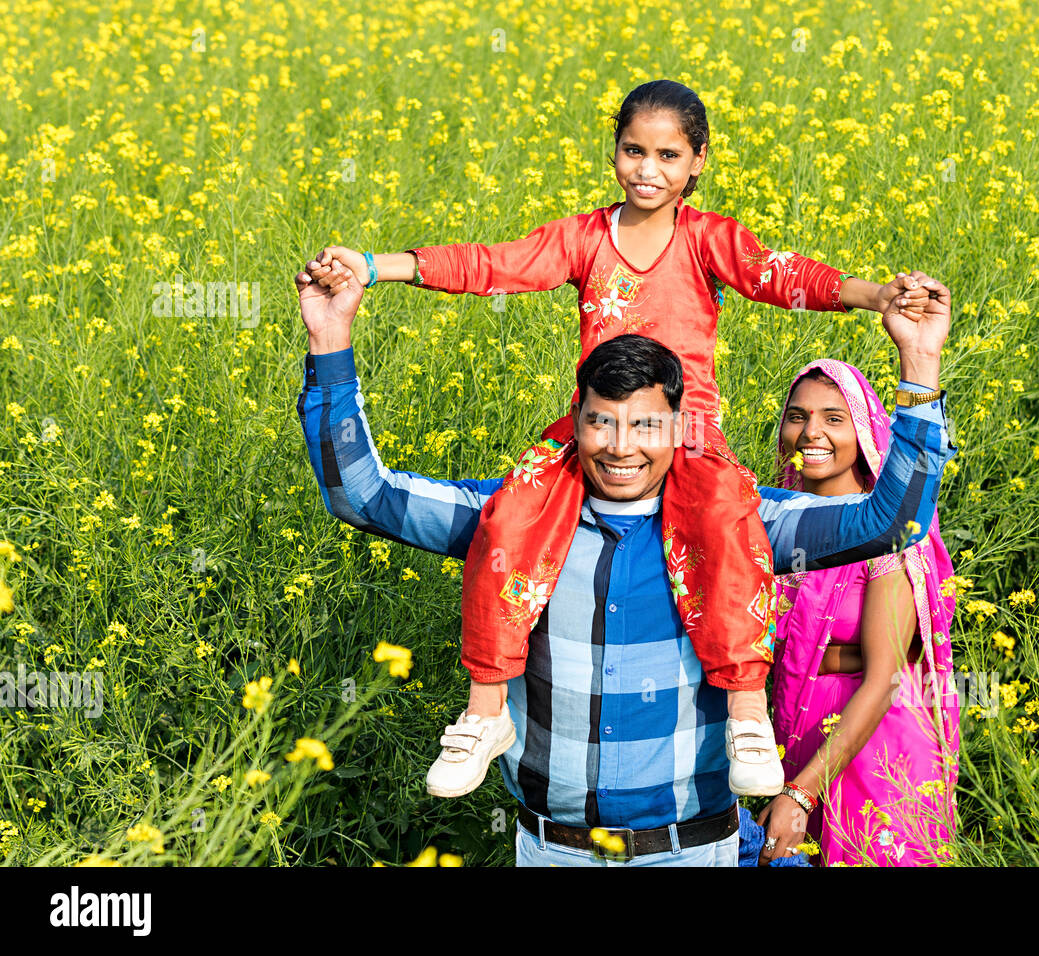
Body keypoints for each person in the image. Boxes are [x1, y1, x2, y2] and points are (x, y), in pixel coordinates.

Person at [303, 78, 934, 800]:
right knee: (510, 517)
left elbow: (780, 275)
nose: (647, 170)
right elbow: (494, 265)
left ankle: (746, 712)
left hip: (688, 435)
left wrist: (876, 297)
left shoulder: (706, 240)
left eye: (668, 155)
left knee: (728, 531)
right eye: (633, 150)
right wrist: (375, 269)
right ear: (613, 152)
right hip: (590, 432)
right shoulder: (583, 238)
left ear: (697, 161)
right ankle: (486, 714)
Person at [293, 256, 957, 866]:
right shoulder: (509, 518)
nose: (620, 448)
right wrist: (330, 341)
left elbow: (891, 521)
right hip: (551, 849)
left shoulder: (740, 523)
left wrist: (920, 369)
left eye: (644, 426)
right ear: (574, 421)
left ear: (678, 427)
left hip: (691, 850)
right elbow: (363, 496)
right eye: (601, 423)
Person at [755, 360, 960, 866]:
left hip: (876, 746)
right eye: (798, 417)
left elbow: (886, 676)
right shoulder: (773, 525)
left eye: (833, 418)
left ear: (863, 430)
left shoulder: (882, 538)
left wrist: (801, 792)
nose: (811, 433)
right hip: (795, 733)